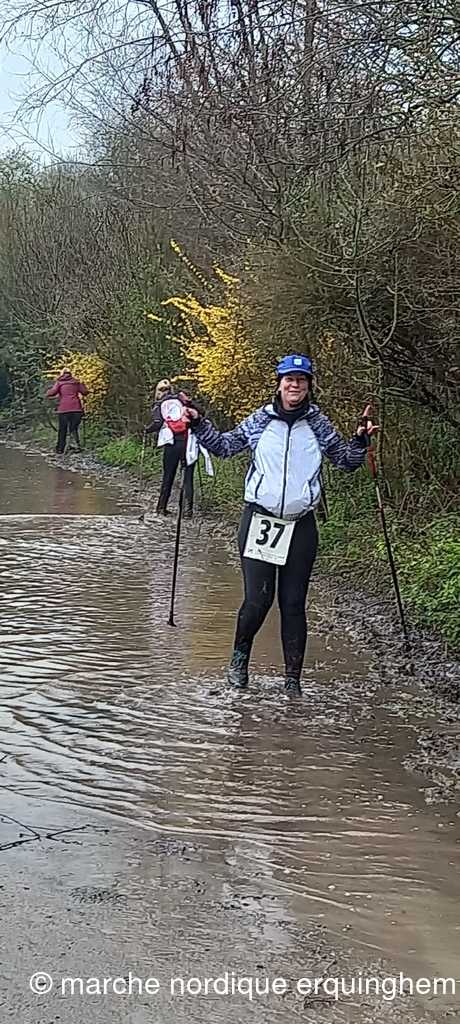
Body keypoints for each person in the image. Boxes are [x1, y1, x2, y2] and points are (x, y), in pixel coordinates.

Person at [183, 353, 379, 696]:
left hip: (301, 524)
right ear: (279, 384)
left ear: (309, 386)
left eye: (301, 380)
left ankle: (292, 682)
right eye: (289, 379)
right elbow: (225, 447)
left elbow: (346, 462)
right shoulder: (261, 420)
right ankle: (239, 663)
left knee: (293, 604)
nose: (294, 385)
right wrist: (199, 423)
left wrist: (361, 441)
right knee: (258, 600)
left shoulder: (318, 424)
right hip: (261, 519)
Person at [145, 379, 197, 518]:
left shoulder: (160, 404)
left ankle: (161, 508)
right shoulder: (183, 401)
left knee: (168, 476)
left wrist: (147, 430)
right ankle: (187, 511)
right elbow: (197, 415)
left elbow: (157, 422)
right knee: (188, 477)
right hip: (188, 443)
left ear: (158, 392)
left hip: (172, 443)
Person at [46, 369, 88, 454]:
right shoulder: (76, 382)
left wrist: (48, 392)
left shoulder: (59, 382)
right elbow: (85, 392)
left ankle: (60, 449)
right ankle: (75, 446)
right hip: (76, 409)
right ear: (70, 374)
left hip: (64, 409)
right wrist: (83, 385)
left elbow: (52, 393)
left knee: (62, 429)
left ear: (62, 374)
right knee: (73, 428)